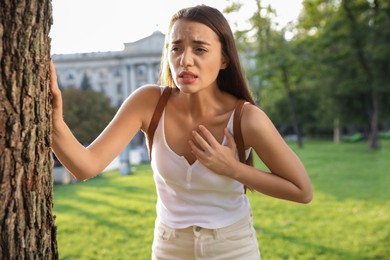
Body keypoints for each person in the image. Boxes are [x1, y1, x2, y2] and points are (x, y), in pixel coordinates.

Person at [50, 5, 313, 260]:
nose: (185, 60)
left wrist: (233, 168)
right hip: (168, 249)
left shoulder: (247, 119)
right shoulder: (148, 102)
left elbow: (302, 191)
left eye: (200, 49)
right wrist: (54, 122)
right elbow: (85, 167)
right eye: (176, 48)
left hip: (233, 249)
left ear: (224, 59)